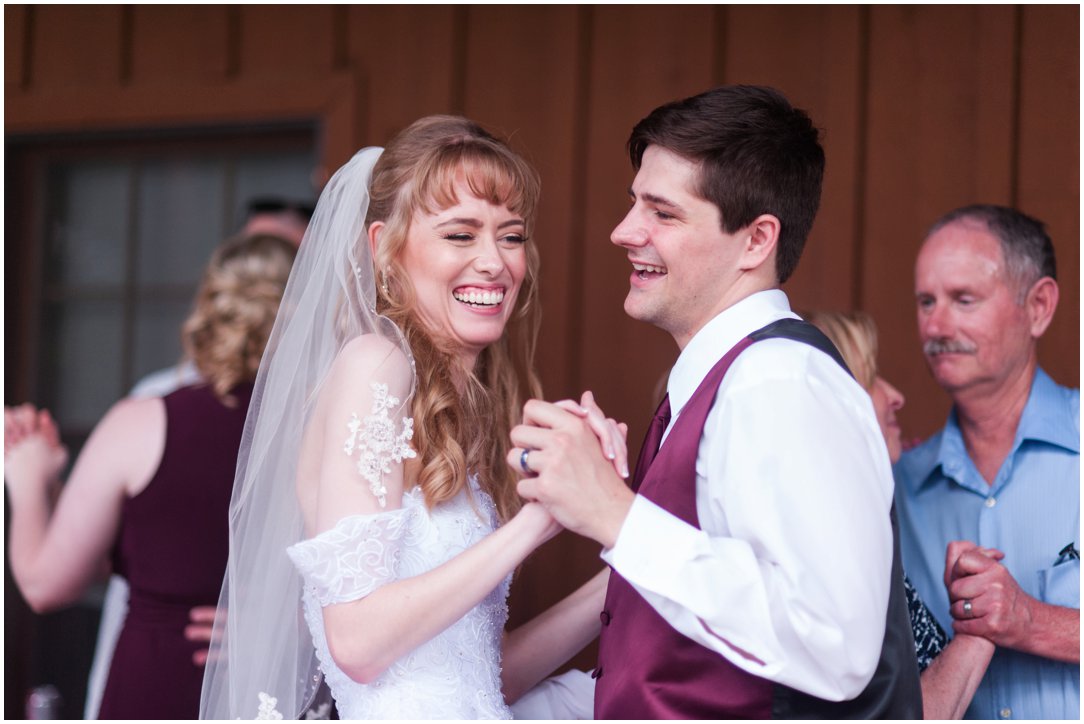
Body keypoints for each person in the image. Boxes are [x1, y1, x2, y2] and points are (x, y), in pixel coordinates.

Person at [509, 85, 922, 718]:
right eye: (634, 204)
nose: (623, 232)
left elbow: (833, 644)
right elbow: (683, 673)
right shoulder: (720, 384)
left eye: (663, 214)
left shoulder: (779, 382)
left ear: (755, 241)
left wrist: (613, 513)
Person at [199, 116, 617, 720]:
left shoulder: (460, 402)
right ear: (384, 248)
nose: (494, 262)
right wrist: (537, 521)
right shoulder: (376, 365)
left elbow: (476, 677)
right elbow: (358, 642)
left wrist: (623, 560)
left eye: (511, 235)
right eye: (460, 235)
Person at [5, 233, 296, 718]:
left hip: (160, 684)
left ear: (208, 311)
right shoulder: (325, 430)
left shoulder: (141, 423)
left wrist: (27, 477)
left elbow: (46, 584)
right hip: (274, 687)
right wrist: (284, 628)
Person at [895, 204, 1079, 720]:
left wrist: (1030, 620)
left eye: (964, 299)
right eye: (926, 302)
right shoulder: (895, 489)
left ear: (1038, 306)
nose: (936, 325)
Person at [809, 310, 998, 719]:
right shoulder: (833, 547)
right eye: (870, 378)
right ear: (836, 402)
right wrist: (980, 624)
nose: (894, 395)